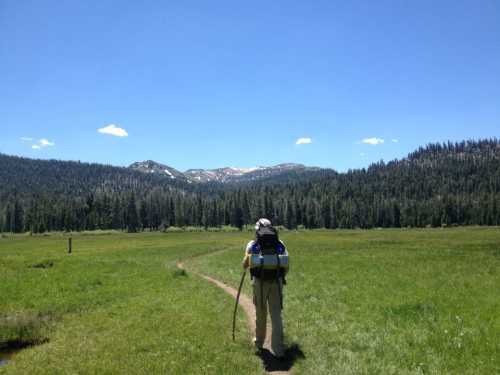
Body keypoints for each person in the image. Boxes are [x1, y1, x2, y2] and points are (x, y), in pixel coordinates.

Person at [242, 218, 289, 358]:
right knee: (276, 316)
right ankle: (279, 350)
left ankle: (259, 343)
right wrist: (280, 277)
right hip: (277, 282)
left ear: (257, 230)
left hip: (259, 284)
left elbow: (245, 263)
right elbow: (286, 265)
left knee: (261, 313)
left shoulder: (252, 244)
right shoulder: (279, 243)